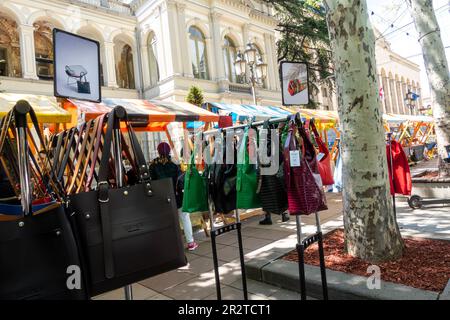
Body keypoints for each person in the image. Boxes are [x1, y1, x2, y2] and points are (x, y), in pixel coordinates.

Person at [149, 142, 199, 251]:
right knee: (185, 218)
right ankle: (190, 243)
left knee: (168, 222)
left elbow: (151, 182)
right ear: (169, 151)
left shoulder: (153, 166)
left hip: (162, 198)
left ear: (158, 151)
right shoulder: (175, 164)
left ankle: (172, 245)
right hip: (177, 196)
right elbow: (181, 180)